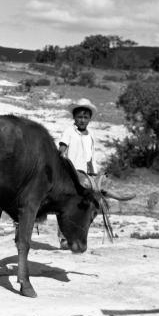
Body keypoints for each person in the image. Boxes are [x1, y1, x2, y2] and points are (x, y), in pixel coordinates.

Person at [56, 98, 98, 248]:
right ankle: (63, 238)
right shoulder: (69, 131)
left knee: (83, 207)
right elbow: (61, 149)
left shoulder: (91, 135)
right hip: (70, 175)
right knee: (66, 206)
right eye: (79, 117)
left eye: (85, 117)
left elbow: (91, 155)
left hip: (86, 175)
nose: (82, 120)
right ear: (74, 118)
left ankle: (77, 234)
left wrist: (94, 173)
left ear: (89, 119)